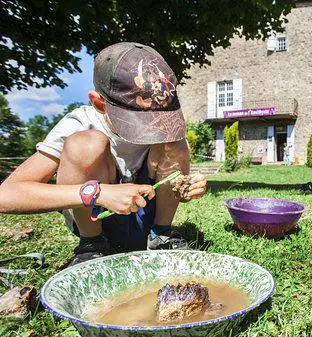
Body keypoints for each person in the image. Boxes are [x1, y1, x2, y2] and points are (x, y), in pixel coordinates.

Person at [0, 42, 207, 265]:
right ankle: (92, 245)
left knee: (174, 142)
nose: (152, 130)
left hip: (148, 214)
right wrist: (97, 194)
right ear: (99, 103)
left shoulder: (164, 124)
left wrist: (182, 187)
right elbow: (7, 195)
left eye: (160, 119)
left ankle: (161, 235)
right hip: (96, 217)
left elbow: (173, 172)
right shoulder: (81, 121)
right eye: (140, 122)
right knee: (86, 143)